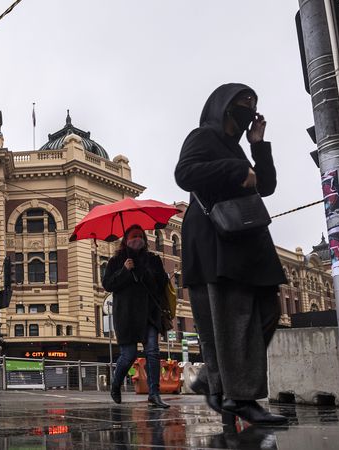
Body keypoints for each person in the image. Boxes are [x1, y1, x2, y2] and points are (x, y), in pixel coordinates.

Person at [175, 83, 287, 424]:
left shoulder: (239, 148)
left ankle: (214, 377)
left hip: (247, 239)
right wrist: (236, 171)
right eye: (243, 102)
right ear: (223, 106)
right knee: (235, 318)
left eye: (253, 103)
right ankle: (241, 397)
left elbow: (265, 185)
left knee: (269, 309)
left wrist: (258, 146)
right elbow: (185, 174)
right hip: (217, 240)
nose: (250, 109)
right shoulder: (202, 137)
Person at [102, 225, 170, 408]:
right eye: (134, 236)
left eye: (141, 236)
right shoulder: (116, 261)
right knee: (129, 355)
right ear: (126, 240)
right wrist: (125, 270)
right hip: (127, 315)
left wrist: (148, 272)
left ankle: (154, 394)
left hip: (149, 313)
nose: (138, 239)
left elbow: (162, 282)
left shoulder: (153, 259)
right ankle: (116, 384)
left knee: (153, 352)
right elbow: (108, 284)